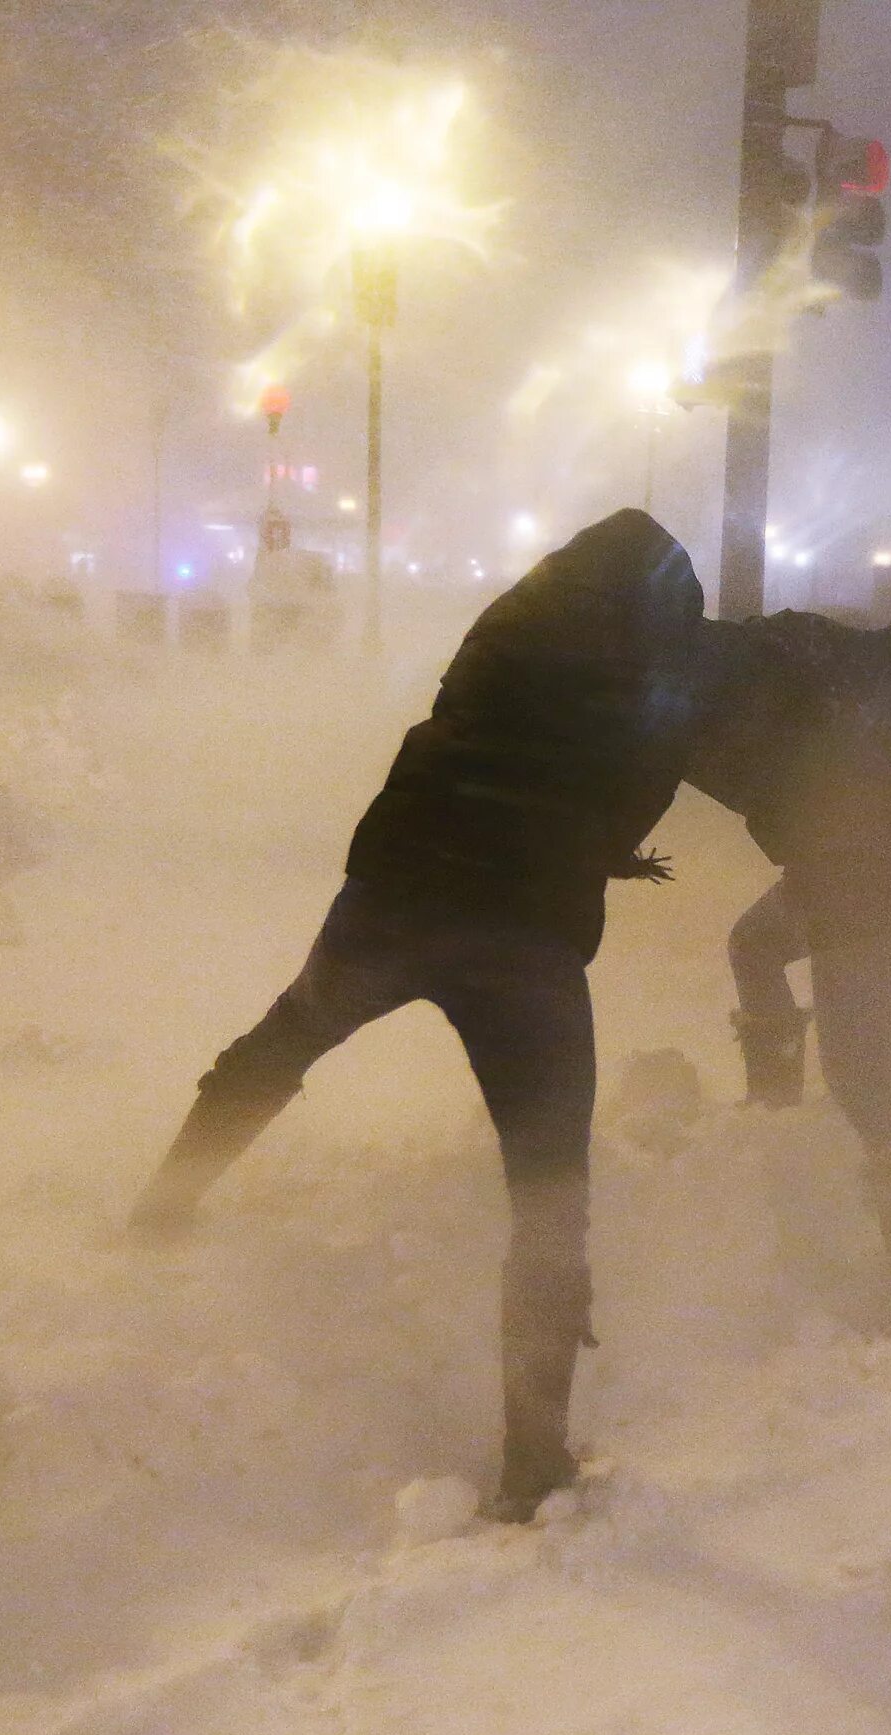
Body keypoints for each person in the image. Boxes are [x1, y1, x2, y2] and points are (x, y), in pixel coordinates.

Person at [129, 509, 709, 1521]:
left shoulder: (509, 622)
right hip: (523, 930)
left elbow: (451, 722)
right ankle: (533, 1459)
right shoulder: (658, 663)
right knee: (548, 1187)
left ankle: (163, 1205)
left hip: (399, 891)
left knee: (289, 1034)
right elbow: (640, 780)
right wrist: (598, 842)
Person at [687, 609, 891, 1321]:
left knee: (861, 1076)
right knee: (754, 945)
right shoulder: (745, 653)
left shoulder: (720, 683)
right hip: (843, 857)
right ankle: (774, 1118)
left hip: (865, 869)